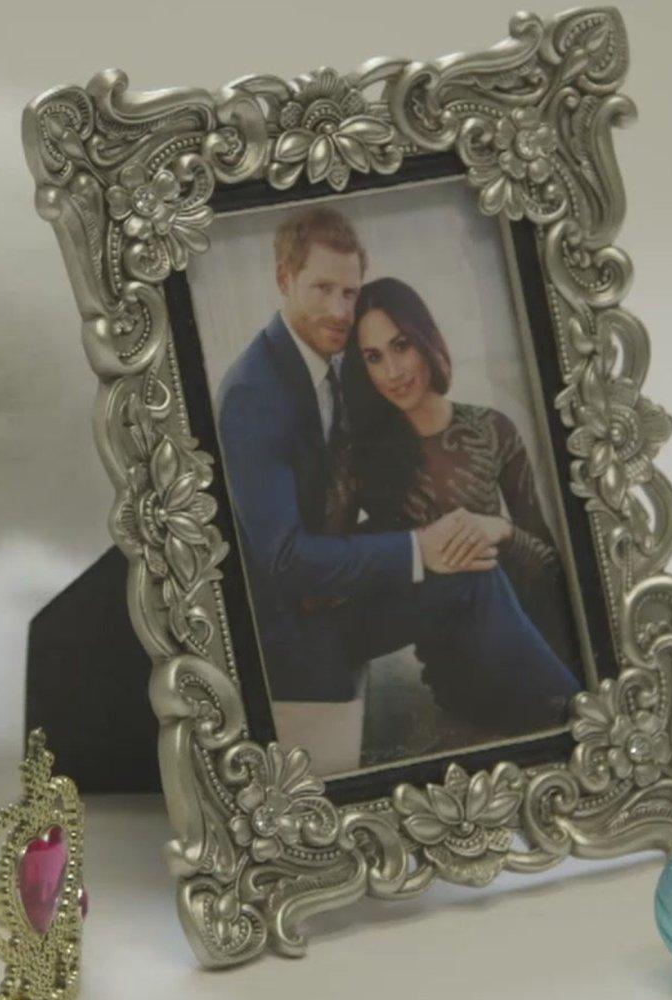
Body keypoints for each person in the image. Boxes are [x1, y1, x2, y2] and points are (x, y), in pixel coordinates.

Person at [214, 207, 578, 733]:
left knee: (473, 566)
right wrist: (417, 547)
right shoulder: (254, 392)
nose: (339, 310)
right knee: (468, 566)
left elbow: (543, 559)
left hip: (352, 583)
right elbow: (284, 559)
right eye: (321, 289)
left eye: (348, 293)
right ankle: (582, 715)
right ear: (283, 280)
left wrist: (457, 536)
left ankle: (574, 708)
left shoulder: (333, 362)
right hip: (296, 624)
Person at [338, 276, 583, 677]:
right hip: (456, 664)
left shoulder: (492, 429)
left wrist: (500, 530)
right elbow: (333, 574)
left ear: (425, 339)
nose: (393, 371)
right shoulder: (359, 458)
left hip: (531, 633)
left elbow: (551, 567)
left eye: (401, 346)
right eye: (373, 357)